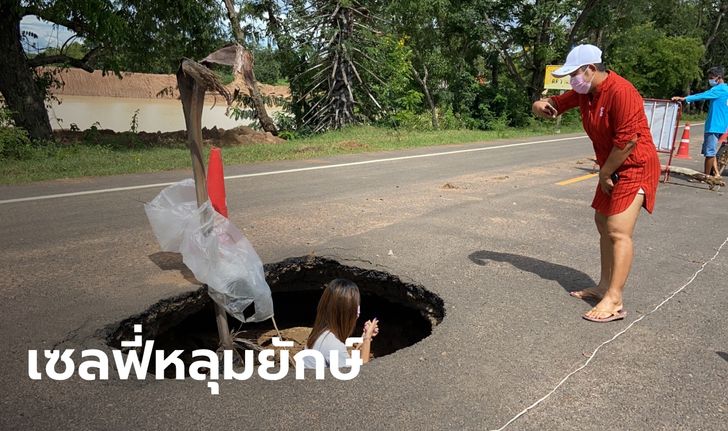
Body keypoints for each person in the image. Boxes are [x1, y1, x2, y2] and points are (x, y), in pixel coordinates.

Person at [532, 44, 661, 323]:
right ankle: (604, 286)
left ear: (590, 69)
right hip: (611, 167)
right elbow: (554, 104)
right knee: (602, 222)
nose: (571, 81)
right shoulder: (585, 93)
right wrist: (540, 106)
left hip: (635, 165)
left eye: (574, 74)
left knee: (617, 229)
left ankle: (615, 300)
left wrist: (605, 173)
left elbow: (628, 141)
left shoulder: (621, 91)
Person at [303, 279, 379, 368]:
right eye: (356, 306)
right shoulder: (334, 346)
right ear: (346, 313)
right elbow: (361, 375)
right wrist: (367, 338)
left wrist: (364, 338)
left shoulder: (321, 334)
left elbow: (349, 364)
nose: (358, 312)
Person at [672, 66, 728, 177]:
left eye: (712, 78)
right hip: (721, 125)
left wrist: (685, 99)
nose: (710, 80)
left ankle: (705, 176)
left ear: (719, 77)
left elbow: (702, 96)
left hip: (713, 125)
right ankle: (716, 173)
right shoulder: (726, 89)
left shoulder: (718, 89)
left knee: (709, 153)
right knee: (712, 151)